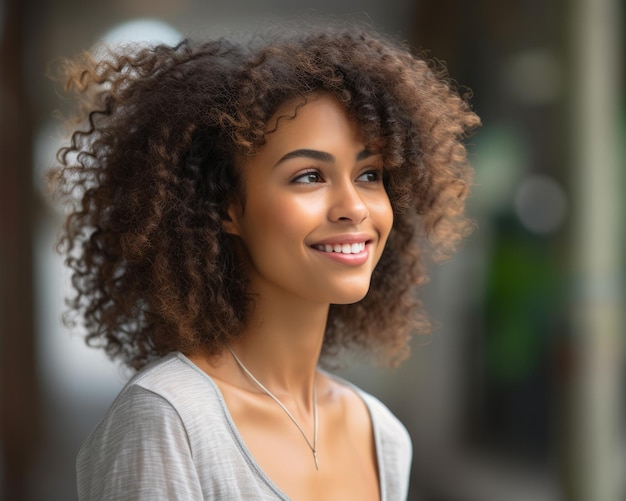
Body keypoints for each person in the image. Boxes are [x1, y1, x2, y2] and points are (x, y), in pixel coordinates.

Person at [49, 22, 479, 501]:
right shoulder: (169, 421)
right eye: (310, 175)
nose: (354, 207)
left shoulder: (382, 437)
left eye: (370, 173)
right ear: (227, 206)